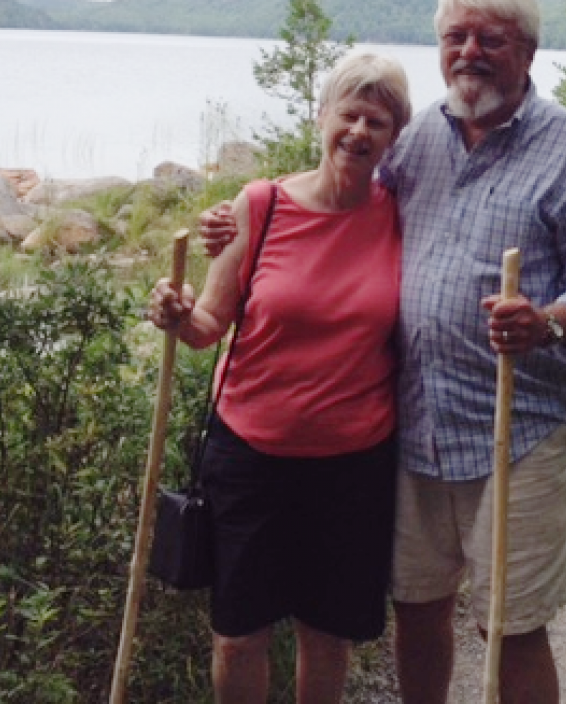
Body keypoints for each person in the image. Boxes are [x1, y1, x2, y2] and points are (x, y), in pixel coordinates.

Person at [203, 0, 566, 703]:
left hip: (519, 429)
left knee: (511, 624)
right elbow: (337, 193)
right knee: (419, 609)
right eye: (454, 37)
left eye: (489, 39)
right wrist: (238, 219)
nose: (469, 52)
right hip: (416, 428)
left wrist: (550, 320)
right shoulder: (416, 138)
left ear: (527, 51)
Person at [149, 52, 411, 704]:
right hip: (251, 458)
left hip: (353, 466)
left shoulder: (401, 214)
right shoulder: (259, 205)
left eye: (376, 120)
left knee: (327, 635)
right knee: (239, 634)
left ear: (395, 135)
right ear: (320, 117)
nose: (358, 130)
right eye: (347, 113)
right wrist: (177, 314)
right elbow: (209, 322)